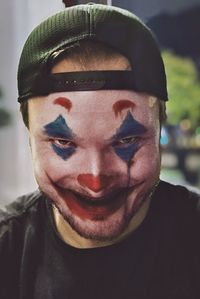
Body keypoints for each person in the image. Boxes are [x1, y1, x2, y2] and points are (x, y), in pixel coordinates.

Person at [0, 3, 200, 299]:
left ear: (160, 124)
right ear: (29, 131)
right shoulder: (8, 250)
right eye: (63, 143)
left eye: (126, 140)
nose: (95, 180)